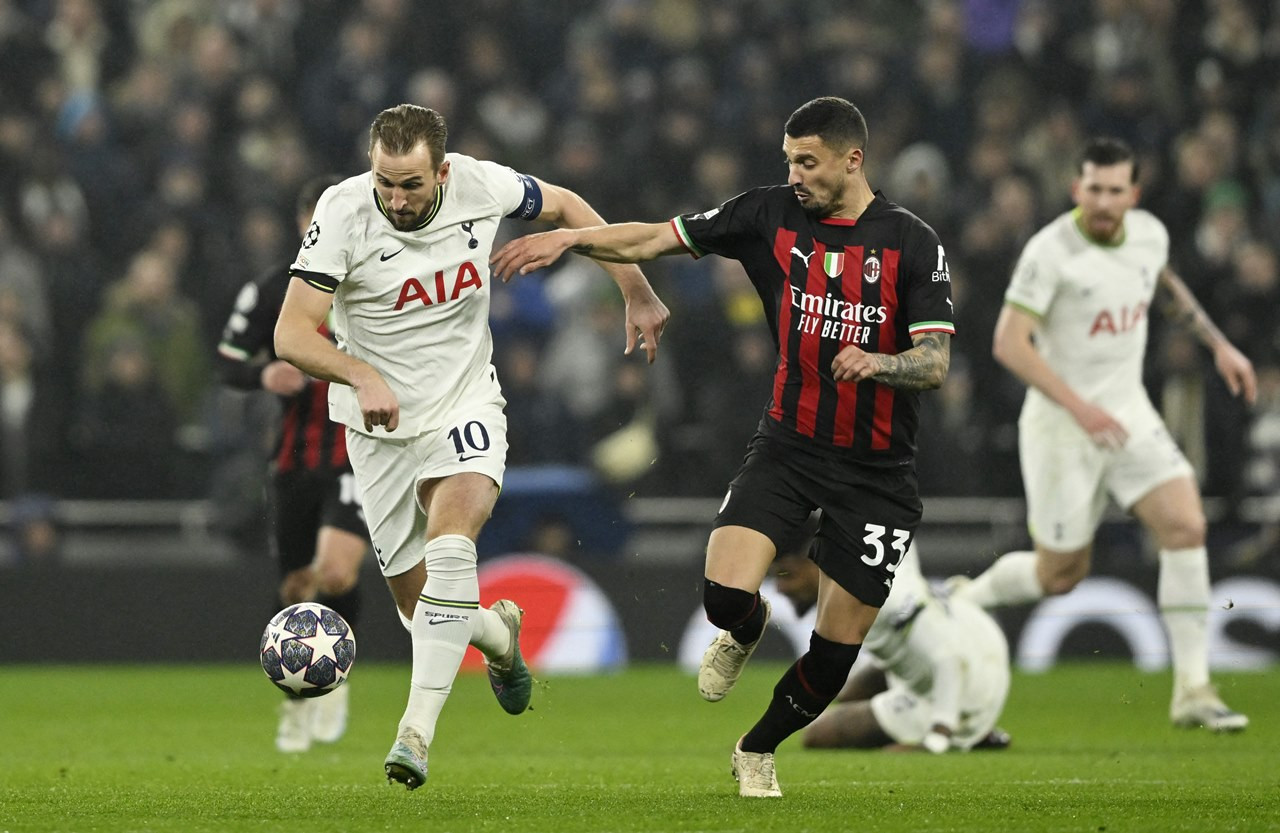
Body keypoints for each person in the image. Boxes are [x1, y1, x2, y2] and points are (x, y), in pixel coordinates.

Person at [493, 96, 954, 797]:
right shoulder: (767, 214)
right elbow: (654, 236)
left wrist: (879, 363)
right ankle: (746, 627)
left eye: (808, 161)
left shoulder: (912, 242)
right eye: (788, 160)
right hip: (790, 445)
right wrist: (571, 242)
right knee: (722, 591)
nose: (795, 173)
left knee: (834, 653)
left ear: (852, 159)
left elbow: (934, 361)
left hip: (878, 471)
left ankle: (757, 746)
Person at [274, 104, 668, 789]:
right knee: (421, 608)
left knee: (454, 544)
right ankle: (498, 635)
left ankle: (414, 734)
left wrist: (634, 286)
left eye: (411, 185)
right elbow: (292, 333)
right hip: (379, 431)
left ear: (443, 171)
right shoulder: (341, 213)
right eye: (385, 182)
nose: (396, 198)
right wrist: (359, 372)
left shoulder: (482, 185)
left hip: (465, 405)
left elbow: (569, 204)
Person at [947, 137, 1256, 732]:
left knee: (1186, 525)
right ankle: (965, 598)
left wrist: (1219, 345)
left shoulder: (1148, 234)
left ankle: (1193, 689)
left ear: (1132, 194)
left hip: (1128, 412)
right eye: (1093, 188)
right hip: (1062, 424)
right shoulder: (1050, 251)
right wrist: (1080, 407)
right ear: (1076, 189)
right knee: (1060, 574)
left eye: (1115, 190)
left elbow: (1163, 285)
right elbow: (1009, 343)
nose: (1104, 201)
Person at [216, 175, 369, 754]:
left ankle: (334, 681)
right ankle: (297, 697)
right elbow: (227, 362)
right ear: (305, 222)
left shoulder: (379, 277)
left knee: (335, 572)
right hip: (293, 457)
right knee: (297, 585)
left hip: (359, 450)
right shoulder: (270, 290)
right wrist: (263, 374)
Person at [768, 520, 1012, 754]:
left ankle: (966, 726)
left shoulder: (882, 599)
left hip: (968, 676)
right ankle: (968, 724)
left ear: (816, 561)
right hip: (969, 633)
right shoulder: (874, 554)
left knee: (817, 736)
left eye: (786, 575)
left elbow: (950, 659)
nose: (780, 589)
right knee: (845, 693)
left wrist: (936, 739)